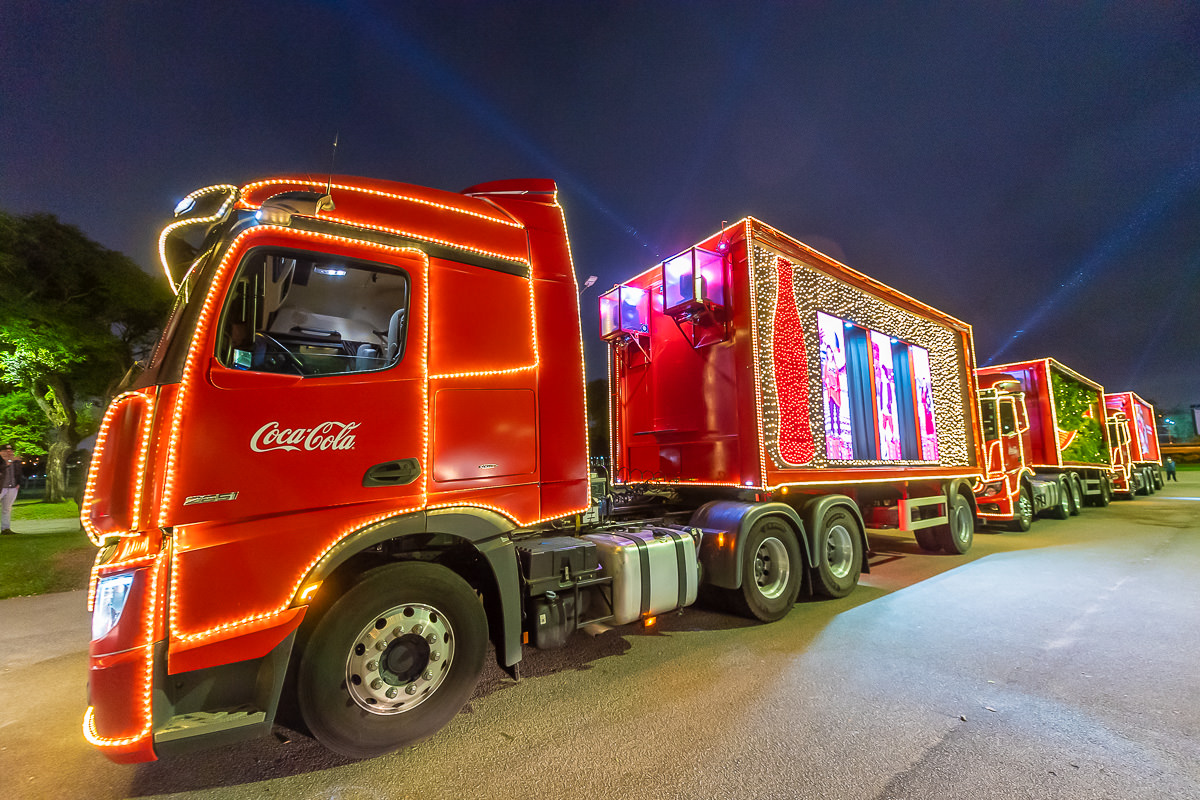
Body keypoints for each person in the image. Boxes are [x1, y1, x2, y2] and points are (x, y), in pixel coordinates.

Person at [1, 443, 24, 535]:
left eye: (11, 451)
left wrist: (18, 483)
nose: (9, 452)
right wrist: (7, 463)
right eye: (6, 450)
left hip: (12, 488)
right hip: (1, 487)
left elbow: (20, 473)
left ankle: (5, 529)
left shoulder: (16, 461)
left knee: (7, 508)